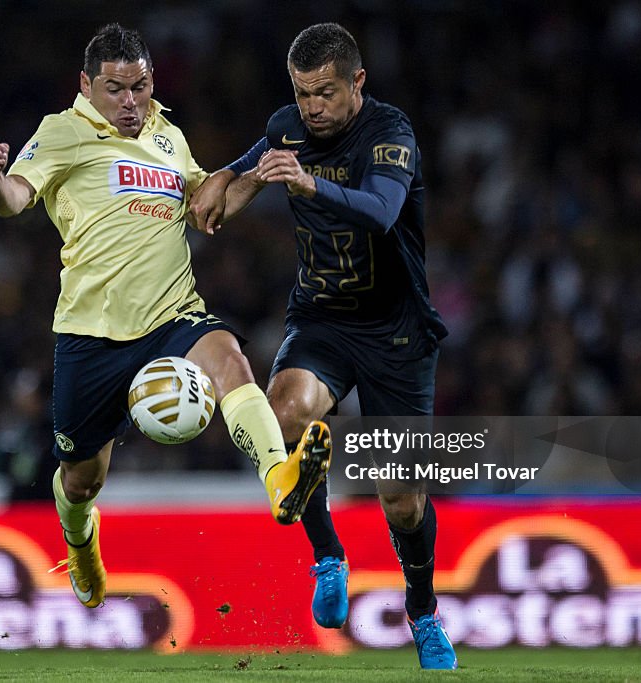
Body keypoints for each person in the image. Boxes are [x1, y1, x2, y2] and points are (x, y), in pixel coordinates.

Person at [0, 23, 330, 611]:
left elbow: (204, 208)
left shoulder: (167, 135)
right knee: (82, 480)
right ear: (86, 85)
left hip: (173, 315)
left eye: (139, 86)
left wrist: (258, 177)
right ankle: (81, 540)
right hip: (92, 337)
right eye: (115, 89)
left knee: (231, 359)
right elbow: (14, 198)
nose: (130, 101)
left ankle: (281, 477)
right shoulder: (62, 132)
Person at [188, 22, 457, 669]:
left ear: (357, 82)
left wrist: (308, 185)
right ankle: (328, 556)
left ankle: (422, 612)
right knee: (284, 414)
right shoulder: (291, 125)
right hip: (324, 320)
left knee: (401, 496)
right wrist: (225, 183)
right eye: (304, 94)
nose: (313, 107)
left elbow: (383, 210)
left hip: (398, 331)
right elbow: (254, 159)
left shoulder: (390, 134)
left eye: (325, 93)